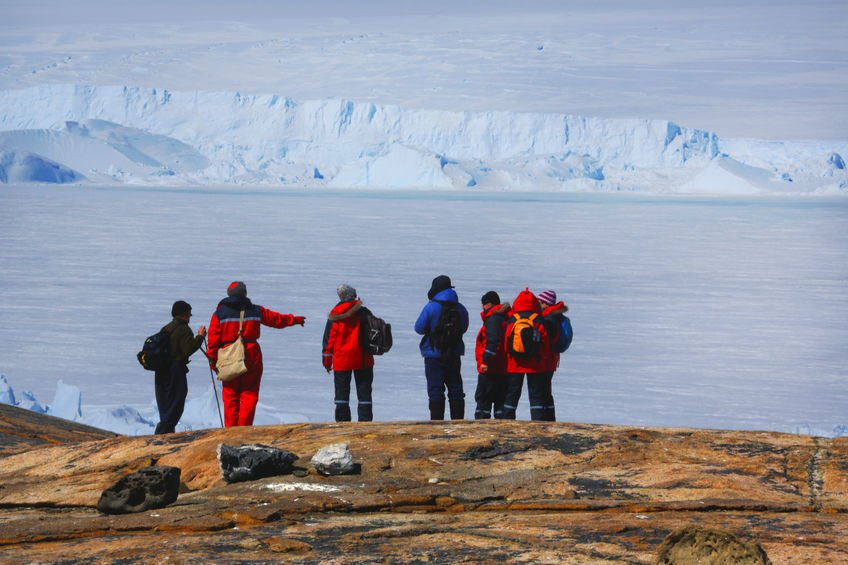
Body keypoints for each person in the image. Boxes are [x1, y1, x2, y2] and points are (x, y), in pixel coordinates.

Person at [206, 281, 305, 427]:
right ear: (244, 293)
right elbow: (276, 320)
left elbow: (213, 340)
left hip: (229, 355)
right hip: (252, 354)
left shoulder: (219, 314)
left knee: (230, 394)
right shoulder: (255, 310)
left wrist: (213, 362)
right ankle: (244, 429)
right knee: (249, 393)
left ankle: (230, 431)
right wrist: (294, 320)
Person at [414, 275, 469, 420]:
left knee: (435, 389)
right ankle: (458, 422)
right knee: (456, 389)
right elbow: (464, 327)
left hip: (433, 354)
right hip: (454, 353)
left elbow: (419, 328)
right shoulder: (460, 308)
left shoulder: (431, 307)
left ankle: (436, 423)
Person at [322, 284, 375, 422]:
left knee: (341, 394)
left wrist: (327, 361)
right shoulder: (364, 312)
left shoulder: (335, 315)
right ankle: (365, 423)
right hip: (363, 358)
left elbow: (329, 340)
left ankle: (342, 424)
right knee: (364, 394)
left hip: (342, 359)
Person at [154, 300, 206, 434]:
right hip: (175, 370)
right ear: (183, 314)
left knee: (165, 403)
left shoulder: (166, 328)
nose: (190, 316)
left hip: (161, 370)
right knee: (177, 401)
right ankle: (163, 432)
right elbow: (188, 349)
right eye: (189, 314)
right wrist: (200, 337)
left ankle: (166, 432)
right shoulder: (184, 329)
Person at [502, 288, 553, 421]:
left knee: (512, 393)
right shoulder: (538, 320)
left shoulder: (513, 319)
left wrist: (508, 357)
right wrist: (544, 357)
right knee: (536, 394)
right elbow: (545, 342)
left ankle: (507, 421)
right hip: (535, 363)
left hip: (515, 363)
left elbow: (506, 340)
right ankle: (537, 421)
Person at [473, 291, 511, 419]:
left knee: (484, 399)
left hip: (491, 367)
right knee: (500, 401)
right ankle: (501, 429)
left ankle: (482, 429)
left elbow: (493, 342)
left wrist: (485, 360)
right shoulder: (505, 317)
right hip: (504, 366)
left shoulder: (493, 319)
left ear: (488, 304)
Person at [537, 289, 569, 422]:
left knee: (541, 390)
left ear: (545, 303)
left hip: (546, 359)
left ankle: (543, 420)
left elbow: (545, 339)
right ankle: (549, 419)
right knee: (546, 390)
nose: (537, 303)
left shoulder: (549, 318)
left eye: (540, 301)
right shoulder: (556, 315)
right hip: (552, 359)